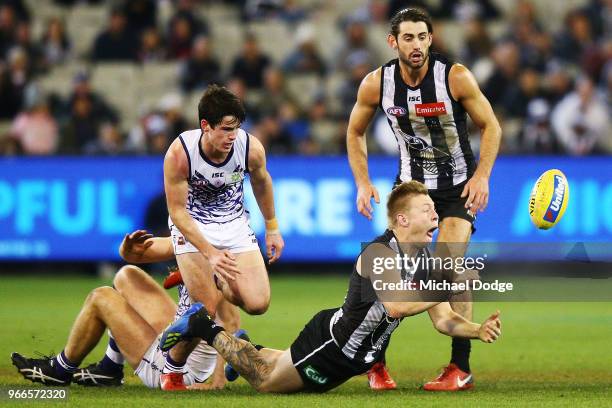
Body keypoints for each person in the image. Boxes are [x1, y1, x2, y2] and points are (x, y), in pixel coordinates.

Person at [158, 181, 502, 394]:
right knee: (265, 382)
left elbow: (442, 319)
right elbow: (397, 306)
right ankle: (202, 325)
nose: (435, 218)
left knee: (277, 368)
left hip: (351, 358)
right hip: (332, 346)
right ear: (402, 219)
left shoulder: (422, 260)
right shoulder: (378, 252)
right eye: (427, 211)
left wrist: (476, 329)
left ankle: (245, 347)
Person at [346, 8, 501, 391]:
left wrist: (482, 176)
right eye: (409, 38)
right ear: (393, 42)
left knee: (450, 266)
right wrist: (363, 183)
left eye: (423, 37)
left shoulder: (455, 77)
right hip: (410, 189)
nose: (416, 45)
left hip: (456, 188)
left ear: (431, 39)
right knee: (383, 271)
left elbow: (491, 125)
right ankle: (375, 363)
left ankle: (459, 368)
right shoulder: (376, 83)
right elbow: (354, 132)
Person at [162, 84, 284, 389]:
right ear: (205, 126)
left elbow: (262, 181)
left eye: (237, 128)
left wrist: (272, 226)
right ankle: (172, 371)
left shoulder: (249, 147)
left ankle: (214, 284)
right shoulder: (180, 154)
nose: (233, 135)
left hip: (234, 225)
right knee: (205, 309)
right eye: (226, 129)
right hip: (193, 228)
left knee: (258, 303)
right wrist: (210, 254)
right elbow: (177, 213)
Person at [11, 245, 217, 388]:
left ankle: (59, 370)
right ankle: (110, 368)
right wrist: (128, 250)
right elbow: (148, 250)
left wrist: (218, 382)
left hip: (177, 367)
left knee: (101, 297)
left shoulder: (222, 242)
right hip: (183, 340)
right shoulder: (200, 224)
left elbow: (229, 314)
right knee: (127, 275)